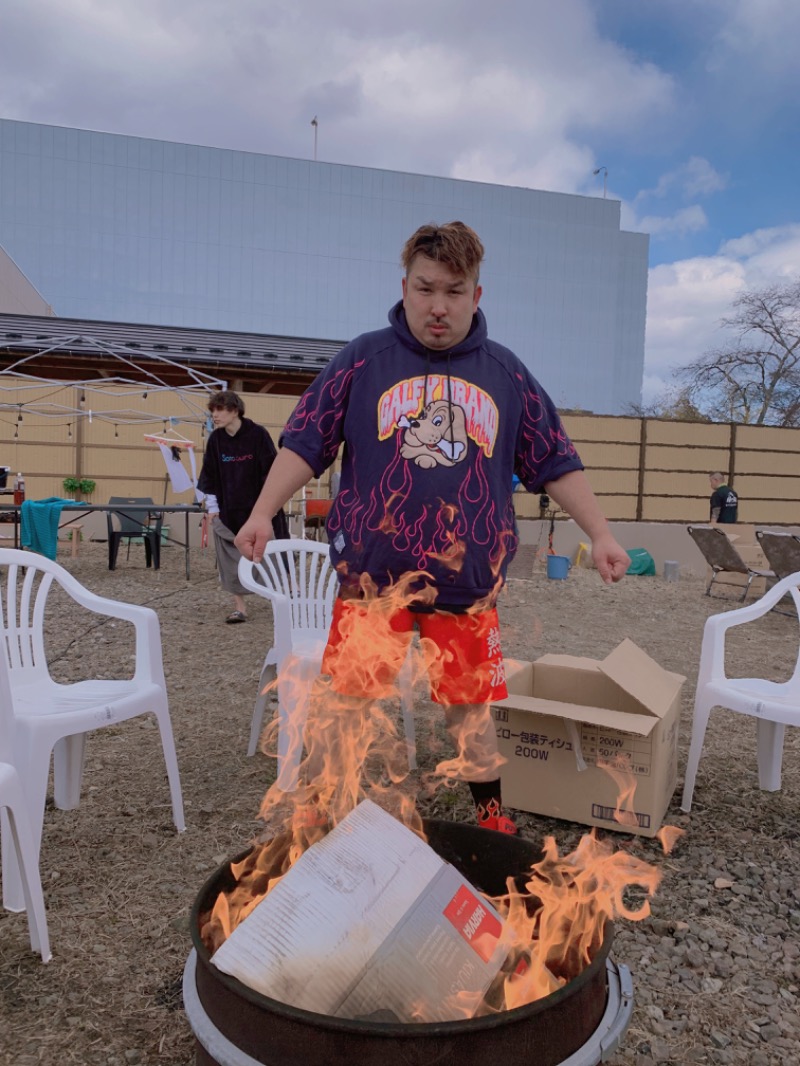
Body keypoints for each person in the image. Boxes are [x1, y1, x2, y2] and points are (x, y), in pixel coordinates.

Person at [235, 221, 629, 833]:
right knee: (347, 702)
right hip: (371, 580)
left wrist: (600, 533)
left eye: (454, 290)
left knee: (472, 711)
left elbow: (554, 459)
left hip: (466, 585)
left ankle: (492, 820)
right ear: (404, 287)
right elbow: (307, 442)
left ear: (477, 294)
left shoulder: (507, 373)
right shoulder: (363, 360)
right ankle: (316, 809)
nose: (438, 306)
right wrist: (262, 511)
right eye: (425, 289)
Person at [198, 389, 288, 623]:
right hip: (229, 509)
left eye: (219, 410)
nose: (215, 415)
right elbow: (209, 475)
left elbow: (272, 471)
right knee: (230, 558)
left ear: (234, 410)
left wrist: (273, 504)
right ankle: (240, 607)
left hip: (261, 508)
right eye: (213, 411)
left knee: (273, 554)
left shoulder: (257, 434)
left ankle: (283, 601)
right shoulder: (216, 440)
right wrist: (212, 508)